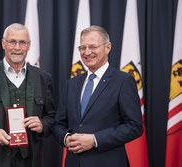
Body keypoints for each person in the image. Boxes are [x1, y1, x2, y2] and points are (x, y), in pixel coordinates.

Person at [0, 23, 56, 167]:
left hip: (30, 161)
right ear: (3, 43)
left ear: (29, 45)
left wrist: (42, 125)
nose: (17, 47)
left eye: (22, 42)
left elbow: (52, 117)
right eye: (12, 42)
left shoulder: (43, 78)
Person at [53, 25, 143, 167]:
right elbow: (59, 123)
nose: (87, 52)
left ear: (108, 47)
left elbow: (134, 126)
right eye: (83, 48)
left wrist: (95, 140)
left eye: (93, 47)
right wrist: (66, 138)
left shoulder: (123, 81)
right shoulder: (71, 84)